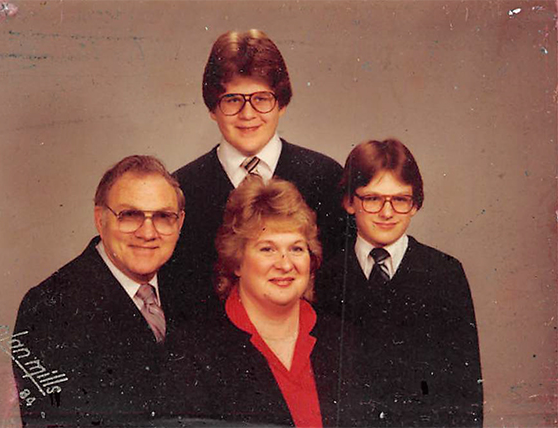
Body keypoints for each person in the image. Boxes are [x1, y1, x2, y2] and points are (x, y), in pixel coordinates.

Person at [164, 29, 346, 322]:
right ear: (213, 108)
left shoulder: (325, 178)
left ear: (282, 104)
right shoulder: (181, 189)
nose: (248, 114)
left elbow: (339, 288)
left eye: (262, 98)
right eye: (232, 100)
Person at [161, 176, 373, 427]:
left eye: (296, 249)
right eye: (267, 249)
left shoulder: (345, 341)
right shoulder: (193, 351)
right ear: (237, 261)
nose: (285, 264)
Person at [316, 139, 484, 427]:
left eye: (400, 199)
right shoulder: (326, 276)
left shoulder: (444, 273)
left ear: (415, 204)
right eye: (372, 198)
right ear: (349, 202)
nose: (387, 212)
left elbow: (466, 390)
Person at [12, 155, 185, 427]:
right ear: (100, 219)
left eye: (163, 216)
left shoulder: (188, 289)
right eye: (130, 215)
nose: (148, 233)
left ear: (180, 223)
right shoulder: (48, 308)